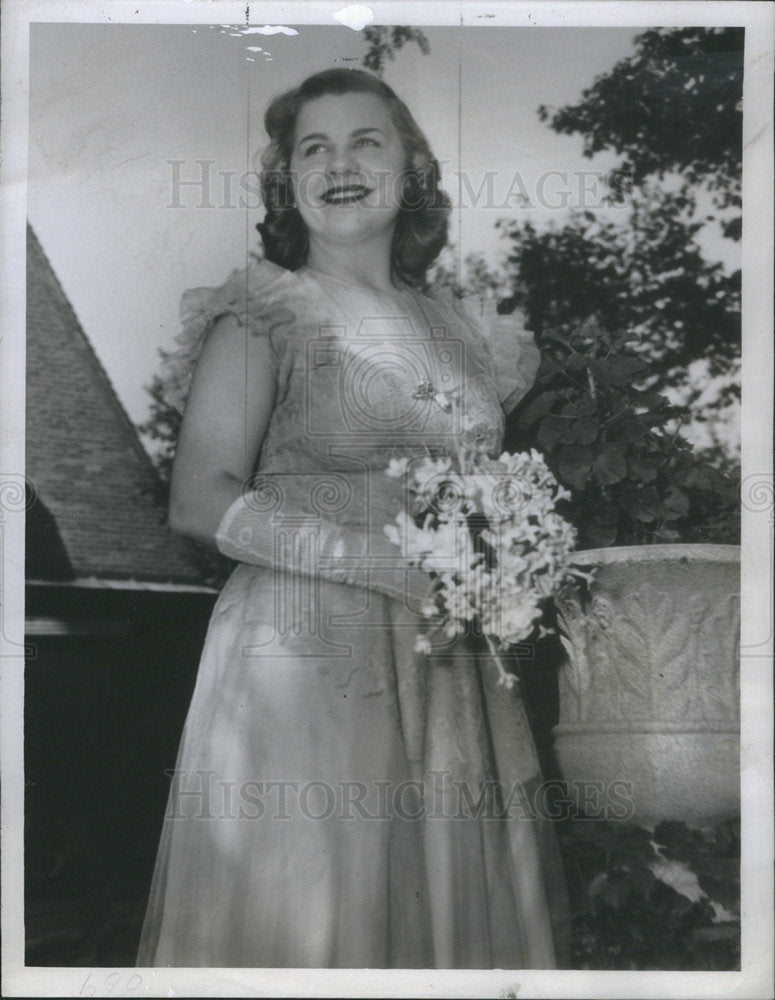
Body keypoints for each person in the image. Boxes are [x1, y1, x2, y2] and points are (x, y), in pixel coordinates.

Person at [137, 67, 569, 969]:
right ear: (285, 179)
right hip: (305, 665)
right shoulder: (264, 313)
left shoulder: (469, 335)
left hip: (452, 672)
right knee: (320, 919)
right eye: (313, 147)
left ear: (411, 169)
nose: (339, 164)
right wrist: (383, 563)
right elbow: (198, 497)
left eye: (365, 141)